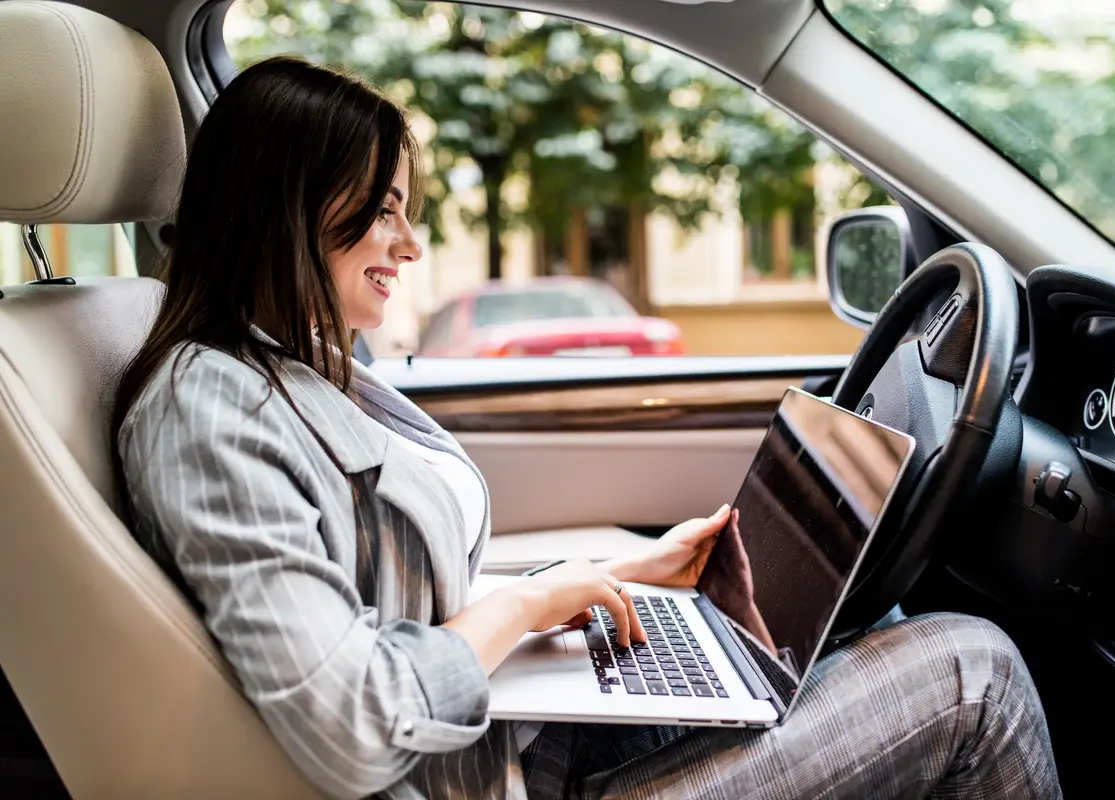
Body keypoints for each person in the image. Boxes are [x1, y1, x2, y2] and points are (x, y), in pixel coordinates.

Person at [112, 56, 1062, 800]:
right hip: (492, 782)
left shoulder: (291, 363)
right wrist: (531, 605)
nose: (408, 243)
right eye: (384, 208)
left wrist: (616, 579)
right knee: (974, 675)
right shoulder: (210, 409)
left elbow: (382, 587)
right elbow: (352, 720)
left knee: (864, 629)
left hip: (519, 743)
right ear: (286, 208)